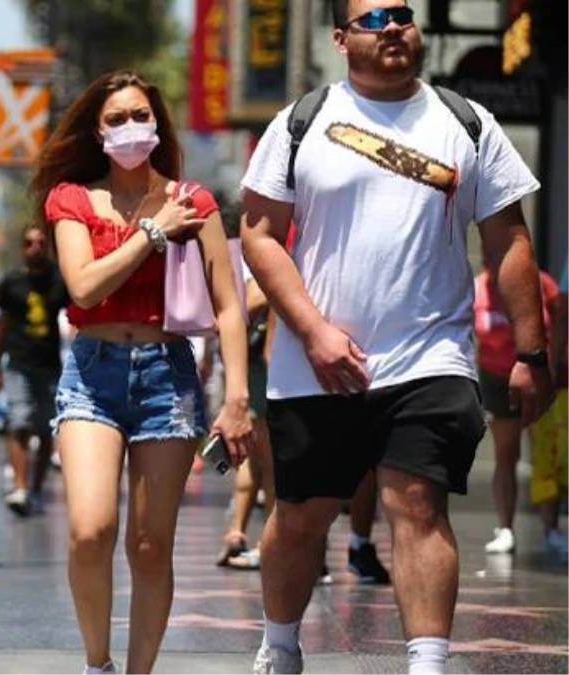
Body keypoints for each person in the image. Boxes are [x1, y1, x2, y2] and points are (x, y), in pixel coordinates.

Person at [240, 2, 550, 673]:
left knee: (417, 501)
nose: (391, 27)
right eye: (373, 16)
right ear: (342, 37)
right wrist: (316, 331)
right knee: (301, 514)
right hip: (315, 364)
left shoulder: (467, 123)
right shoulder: (302, 122)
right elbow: (259, 235)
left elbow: (509, 239)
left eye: (403, 14)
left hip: (431, 355)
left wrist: (532, 352)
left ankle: (428, 662)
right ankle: (282, 643)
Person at [32, 69, 255, 675]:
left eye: (140, 116)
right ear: (96, 131)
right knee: (89, 529)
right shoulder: (73, 200)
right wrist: (153, 234)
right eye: (116, 119)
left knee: (151, 546)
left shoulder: (195, 202)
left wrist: (237, 397)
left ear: (157, 122)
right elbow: (83, 285)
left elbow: (230, 306)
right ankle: (97, 663)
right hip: (93, 372)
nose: (131, 128)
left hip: (168, 377)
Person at [476, 263, 569, 556]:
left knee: (548, 453)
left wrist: (551, 369)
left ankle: (551, 528)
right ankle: (505, 528)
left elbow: (559, 321)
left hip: (538, 377)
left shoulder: (541, 283)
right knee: (507, 452)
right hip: (496, 379)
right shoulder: (478, 288)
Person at [0, 223, 68, 516]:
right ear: (22, 248)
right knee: (19, 421)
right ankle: (19, 486)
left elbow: (76, 317)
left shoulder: (60, 280)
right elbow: (0, 326)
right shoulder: (11, 282)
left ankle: (35, 487)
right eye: (29, 243)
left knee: (46, 427)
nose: (35, 248)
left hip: (49, 364)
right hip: (18, 362)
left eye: (40, 243)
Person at [217, 270, 276, 570]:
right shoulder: (238, 252)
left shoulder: (249, 250)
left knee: (266, 457)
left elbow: (257, 296)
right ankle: (240, 532)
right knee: (256, 454)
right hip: (251, 360)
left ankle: (266, 541)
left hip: (261, 359)